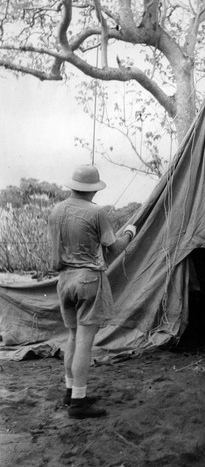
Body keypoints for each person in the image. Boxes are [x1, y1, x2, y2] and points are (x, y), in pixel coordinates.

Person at [48, 164, 137, 419]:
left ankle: (70, 391)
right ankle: (79, 402)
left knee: (73, 337)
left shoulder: (56, 211)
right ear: (93, 190)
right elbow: (115, 248)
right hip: (88, 281)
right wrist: (130, 232)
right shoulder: (97, 212)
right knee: (85, 342)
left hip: (64, 281)